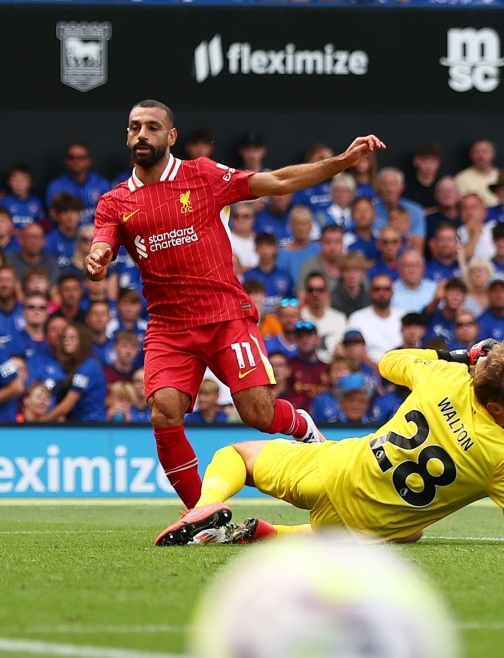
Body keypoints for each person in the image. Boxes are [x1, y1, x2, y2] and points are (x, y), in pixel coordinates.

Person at [87, 100, 382, 507]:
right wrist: (97, 257)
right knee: (164, 412)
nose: (142, 134)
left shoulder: (202, 175)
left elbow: (277, 181)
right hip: (169, 327)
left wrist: (342, 161)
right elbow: (101, 243)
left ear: (171, 137)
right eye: (135, 126)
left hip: (225, 315)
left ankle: (304, 427)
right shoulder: (116, 201)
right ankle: (202, 512)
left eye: (152, 127)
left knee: (257, 413)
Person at [155, 342, 504, 546]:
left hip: (338, 469)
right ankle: (270, 536)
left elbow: (388, 362)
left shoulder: (444, 375)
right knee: (409, 529)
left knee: (235, 455)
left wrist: (457, 356)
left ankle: (206, 505)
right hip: (368, 528)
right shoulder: (503, 456)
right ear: (497, 407)